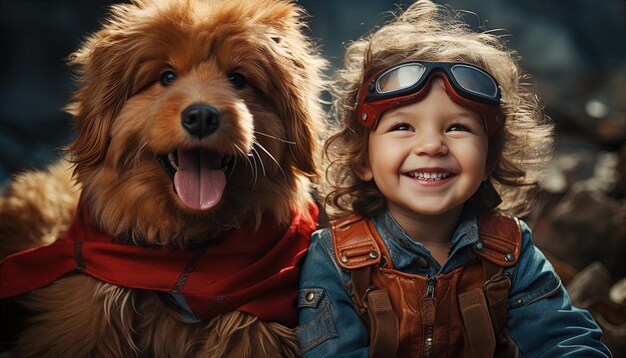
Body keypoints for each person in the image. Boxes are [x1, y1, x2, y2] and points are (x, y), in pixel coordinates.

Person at [296, 0, 612, 356]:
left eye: (457, 127)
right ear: (363, 159)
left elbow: (563, 339)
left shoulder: (511, 251)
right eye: (403, 126)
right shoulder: (333, 258)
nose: (432, 144)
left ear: (490, 159)